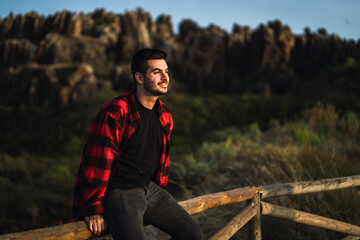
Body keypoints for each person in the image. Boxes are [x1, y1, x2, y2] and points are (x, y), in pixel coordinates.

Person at [72, 48, 203, 240]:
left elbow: (161, 160)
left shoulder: (164, 114)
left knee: (193, 233)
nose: (165, 78)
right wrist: (93, 208)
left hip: (149, 189)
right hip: (119, 193)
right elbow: (95, 163)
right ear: (139, 78)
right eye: (157, 72)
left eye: (166, 71)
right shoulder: (117, 111)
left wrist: (159, 190)